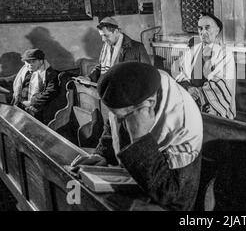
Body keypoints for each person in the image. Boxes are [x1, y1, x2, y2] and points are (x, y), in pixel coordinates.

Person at [71, 62, 203, 211]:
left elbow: (170, 195)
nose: (121, 124)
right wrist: (103, 154)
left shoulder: (181, 124)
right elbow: (113, 126)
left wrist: (140, 139)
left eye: (124, 118)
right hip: (136, 182)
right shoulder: (136, 90)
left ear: (149, 103)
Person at [171, 13, 236, 119]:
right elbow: (178, 70)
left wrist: (202, 97)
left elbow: (223, 83)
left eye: (207, 28)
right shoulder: (193, 50)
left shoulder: (224, 54)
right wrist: (188, 88)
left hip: (213, 105)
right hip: (190, 100)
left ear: (217, 30)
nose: (203, 32)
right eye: (200, 28)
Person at [86, 17, 151, 83]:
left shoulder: (137, 47)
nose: (103, 40)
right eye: (101, 36)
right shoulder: (105, 46)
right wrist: (89, 78)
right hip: (108, 87)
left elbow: (148, 72)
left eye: (106, 35)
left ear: (116, 31)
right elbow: (100, 66)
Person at [9, 49, 59, 122]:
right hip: (20, 104)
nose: (30, 64)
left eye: (33, 61)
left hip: (36, 110)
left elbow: (51, 91)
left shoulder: (49, 73)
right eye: (28, 62)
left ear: (41, 61)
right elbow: (13, 79)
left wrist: (32, 102)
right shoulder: (25, 70)